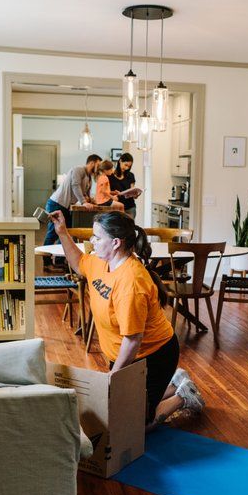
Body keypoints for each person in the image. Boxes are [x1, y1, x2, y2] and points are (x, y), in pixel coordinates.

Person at [48, 208, 204, 428]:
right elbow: (79, 262)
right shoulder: (101, 262)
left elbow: (132, 340)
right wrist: (62, 232)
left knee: (134, 426)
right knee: (115, 410)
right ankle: (172, 384)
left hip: (152, 357)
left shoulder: (131, 282)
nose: (92, 241)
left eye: (97, 237)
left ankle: (184, 395)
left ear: (115, 243)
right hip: (126, 356)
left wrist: (113, 377)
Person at [43, 153, 101, 246]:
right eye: (98, 164)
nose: (99, 168)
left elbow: (84, 192)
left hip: (65, 207)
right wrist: (83, 202)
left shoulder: (88, 177)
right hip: (56, 204)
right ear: (92, 163)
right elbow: (75, 185)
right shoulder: (78, 170)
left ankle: (60, 254)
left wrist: (90, 200)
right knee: (53, 233)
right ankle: (45, 255)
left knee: (67, 232)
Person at [108, 153, 138, 219]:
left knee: (129, 225)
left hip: (130, 208)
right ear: (120, 161)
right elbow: (106, 192)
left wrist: (135, 195)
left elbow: (132, 191)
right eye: (126, 165)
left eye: (129, 166)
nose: (127, 168)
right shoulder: (109, 176)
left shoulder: (131, 175)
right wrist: (114, 194)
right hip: (116, 208)